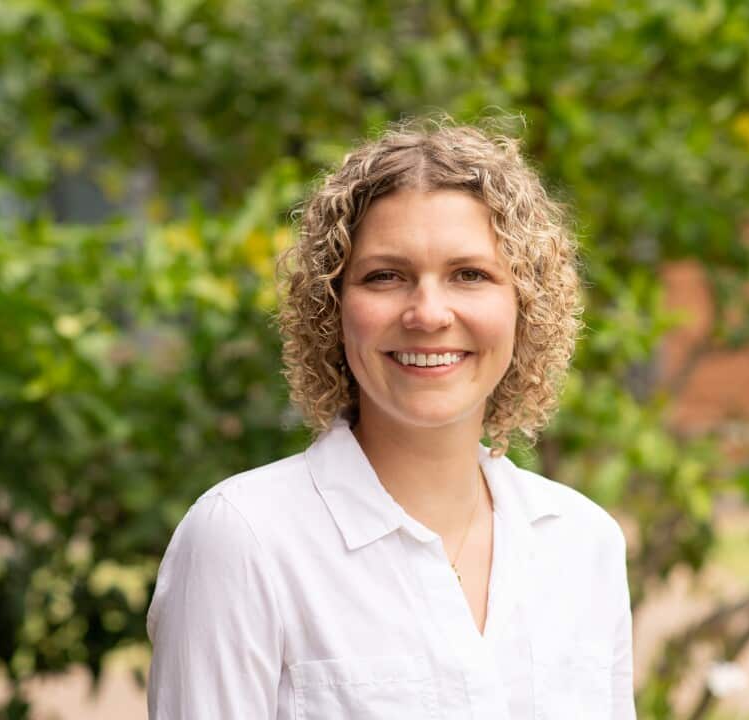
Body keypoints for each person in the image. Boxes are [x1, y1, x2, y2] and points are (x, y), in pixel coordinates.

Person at [146, 119, 635, 719]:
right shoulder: (244, 540)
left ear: (525, 306)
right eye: (386, 276)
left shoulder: (584, 544)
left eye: (470, 275)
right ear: (333, 308)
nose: (428, 313)